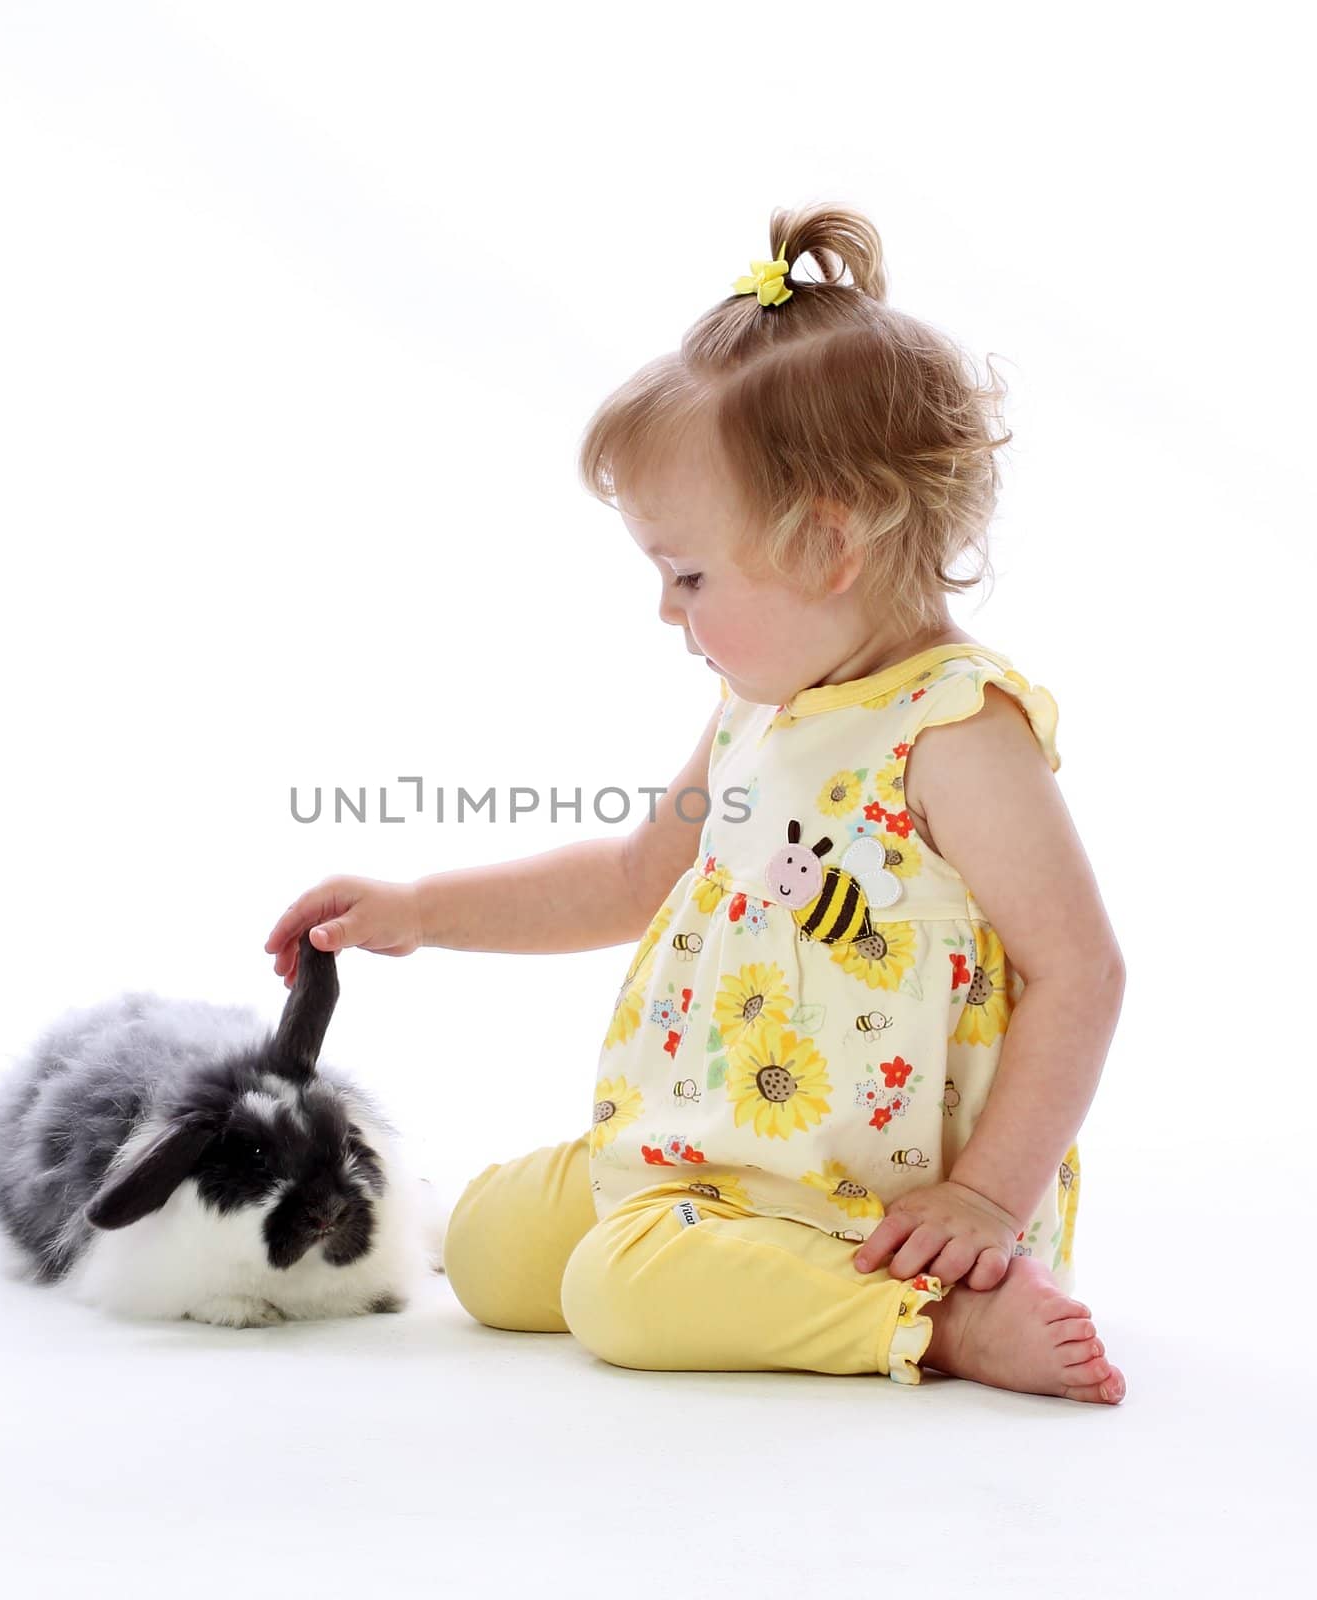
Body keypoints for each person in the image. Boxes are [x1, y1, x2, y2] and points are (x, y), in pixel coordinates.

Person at [263, 203, 1126, 1403]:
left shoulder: (956, 731)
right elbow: (633, 877)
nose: (667, 612)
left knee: (620, 1294)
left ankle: (930, 1324)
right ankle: (673, 1208)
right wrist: (419, 907)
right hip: (713, 1149)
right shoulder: (761, 706)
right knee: (487, 1248)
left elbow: (1081, 973)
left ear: (830, 545)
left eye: (688, 575)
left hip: (863, 1201)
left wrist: (984, 1198)